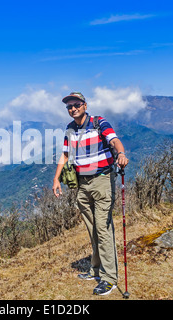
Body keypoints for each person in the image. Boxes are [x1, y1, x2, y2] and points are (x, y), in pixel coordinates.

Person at [52, 91, 129, 296]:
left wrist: (121, 153)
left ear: (85, 105)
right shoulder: (70, 128)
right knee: (92, 227)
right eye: (69, 106)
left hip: (102, 180)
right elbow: (66, 154)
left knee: (103, 228)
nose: (73, 108)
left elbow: (114, 140)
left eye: (76, 104)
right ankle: (95, 270)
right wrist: (56, 179)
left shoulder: (99, 123)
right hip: (82, 184)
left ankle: (109, 278)